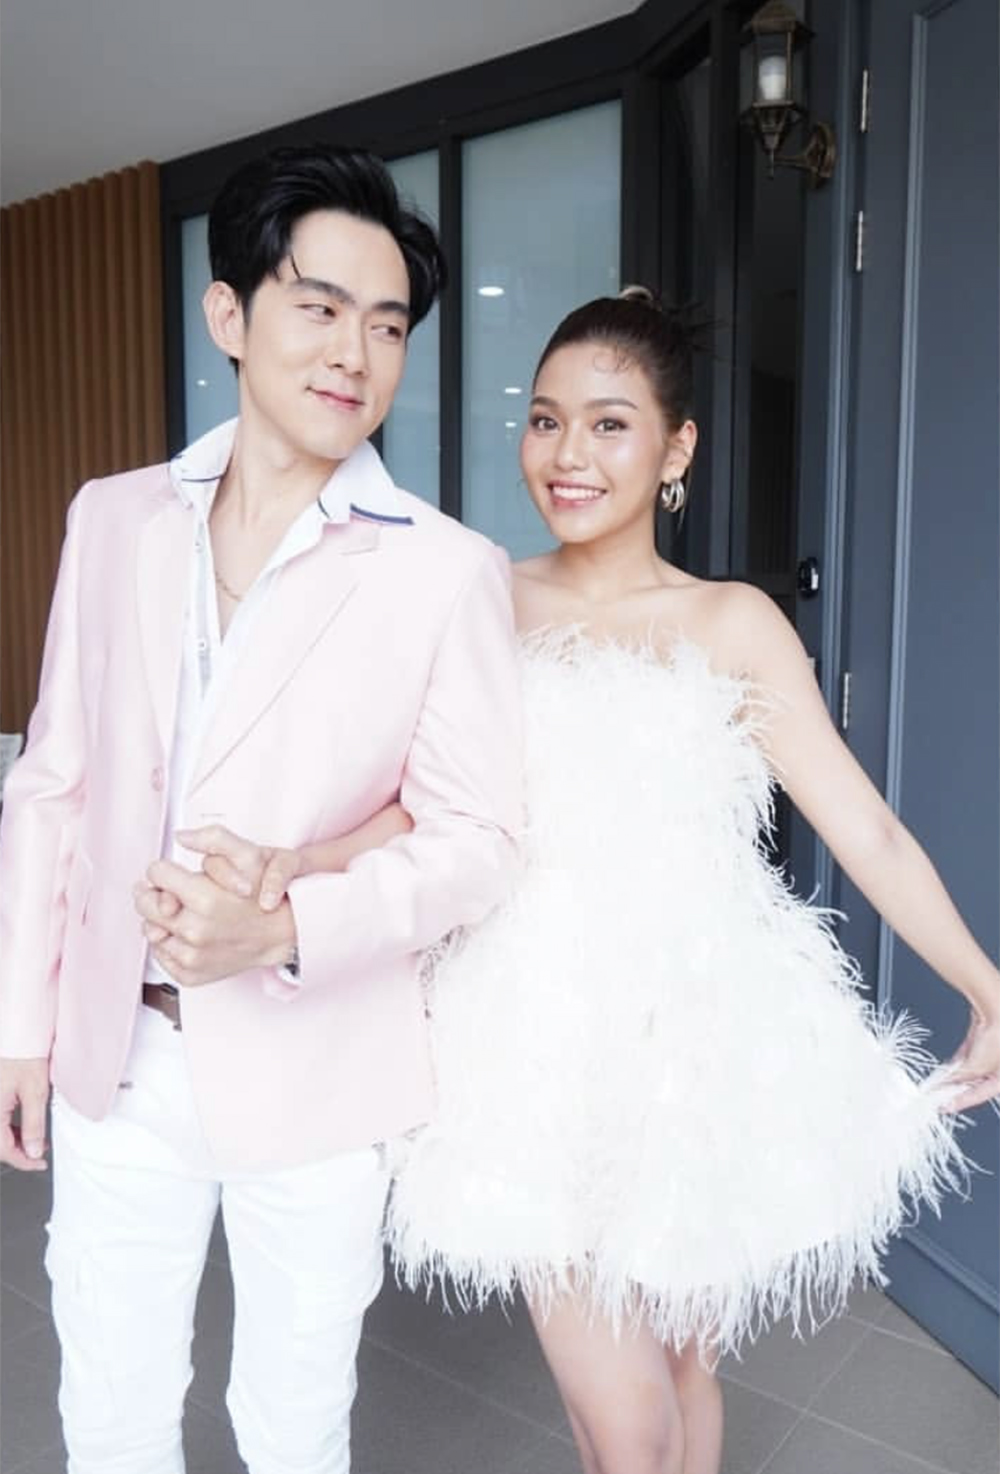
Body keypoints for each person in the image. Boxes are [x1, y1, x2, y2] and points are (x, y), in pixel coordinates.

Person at [154, 290, 1000, 1474]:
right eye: (546, 420)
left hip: (699, 1040)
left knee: (686, 1375)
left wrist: (984, 984)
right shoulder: (481, 595)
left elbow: (864, 828)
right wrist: (299, 864)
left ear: (675, 448)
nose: (566, 454)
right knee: (628, 1428)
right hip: (531, 1044)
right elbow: (422, 805)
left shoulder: (732, 623)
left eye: (608, 424)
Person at [0, 144, 522, 1474]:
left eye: (388, 324)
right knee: (109, 1409)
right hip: (118, 1048)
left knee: (292, 1428)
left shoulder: (445, 570)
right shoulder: (112, 518)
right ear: (228, 314)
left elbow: (478, 842)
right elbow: (53, 780)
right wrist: (20, 1023)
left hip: (321, 1061)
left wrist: (286, 927)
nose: (355, 351)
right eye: (320, 305)